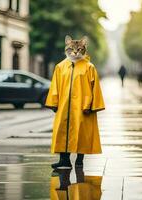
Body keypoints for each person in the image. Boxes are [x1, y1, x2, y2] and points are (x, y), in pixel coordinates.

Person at [46, 35, 105, 169]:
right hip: (64, 106)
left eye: (79, 49)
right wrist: (54, 103)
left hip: (83, 107)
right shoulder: (60, 67)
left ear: (84, 49)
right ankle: (64, 160)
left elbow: (95, 88)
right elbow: (55, 86)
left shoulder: (89, 67)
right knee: (62, 132)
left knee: (81, 133)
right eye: (72, 49)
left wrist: (91, 105)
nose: (75, 52)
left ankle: (80, 159)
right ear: (66, 48)